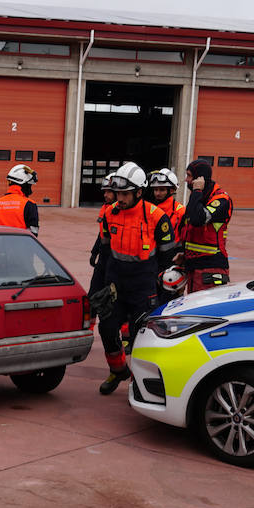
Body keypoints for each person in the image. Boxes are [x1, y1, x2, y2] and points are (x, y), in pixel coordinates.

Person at [93, 163, 177, 395]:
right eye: (118, 193)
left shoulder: (156, 217)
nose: (119, 198)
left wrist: (159, 288)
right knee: (108, 329)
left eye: (125, 194)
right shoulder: (110, 213)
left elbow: (167, 257)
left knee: (142, 337)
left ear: (139, 192)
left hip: (143, 286)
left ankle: (139, 383)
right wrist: (98, 285)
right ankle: (118, 370)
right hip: (116, 284)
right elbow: (106, 252)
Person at [179, 160, 234, 293]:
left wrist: (197, 190)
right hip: (194, 266)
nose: (186, 180)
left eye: (189, 175)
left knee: (202, 310)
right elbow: (188, 227)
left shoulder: (221, 199)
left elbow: (198, 219)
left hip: (211, 267)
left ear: (200, 178)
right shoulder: (198, 197)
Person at [0, 164, 40, 235]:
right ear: (24, 185)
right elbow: (33, 234)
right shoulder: (29, 205)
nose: (31, 190)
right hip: (19, 246)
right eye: (29, 186)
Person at [147, 168, 185, 233]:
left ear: (172, 190)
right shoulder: (148, 210)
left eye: (162, 190)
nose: (157, 193)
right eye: (155, 189)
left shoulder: (181, 212)